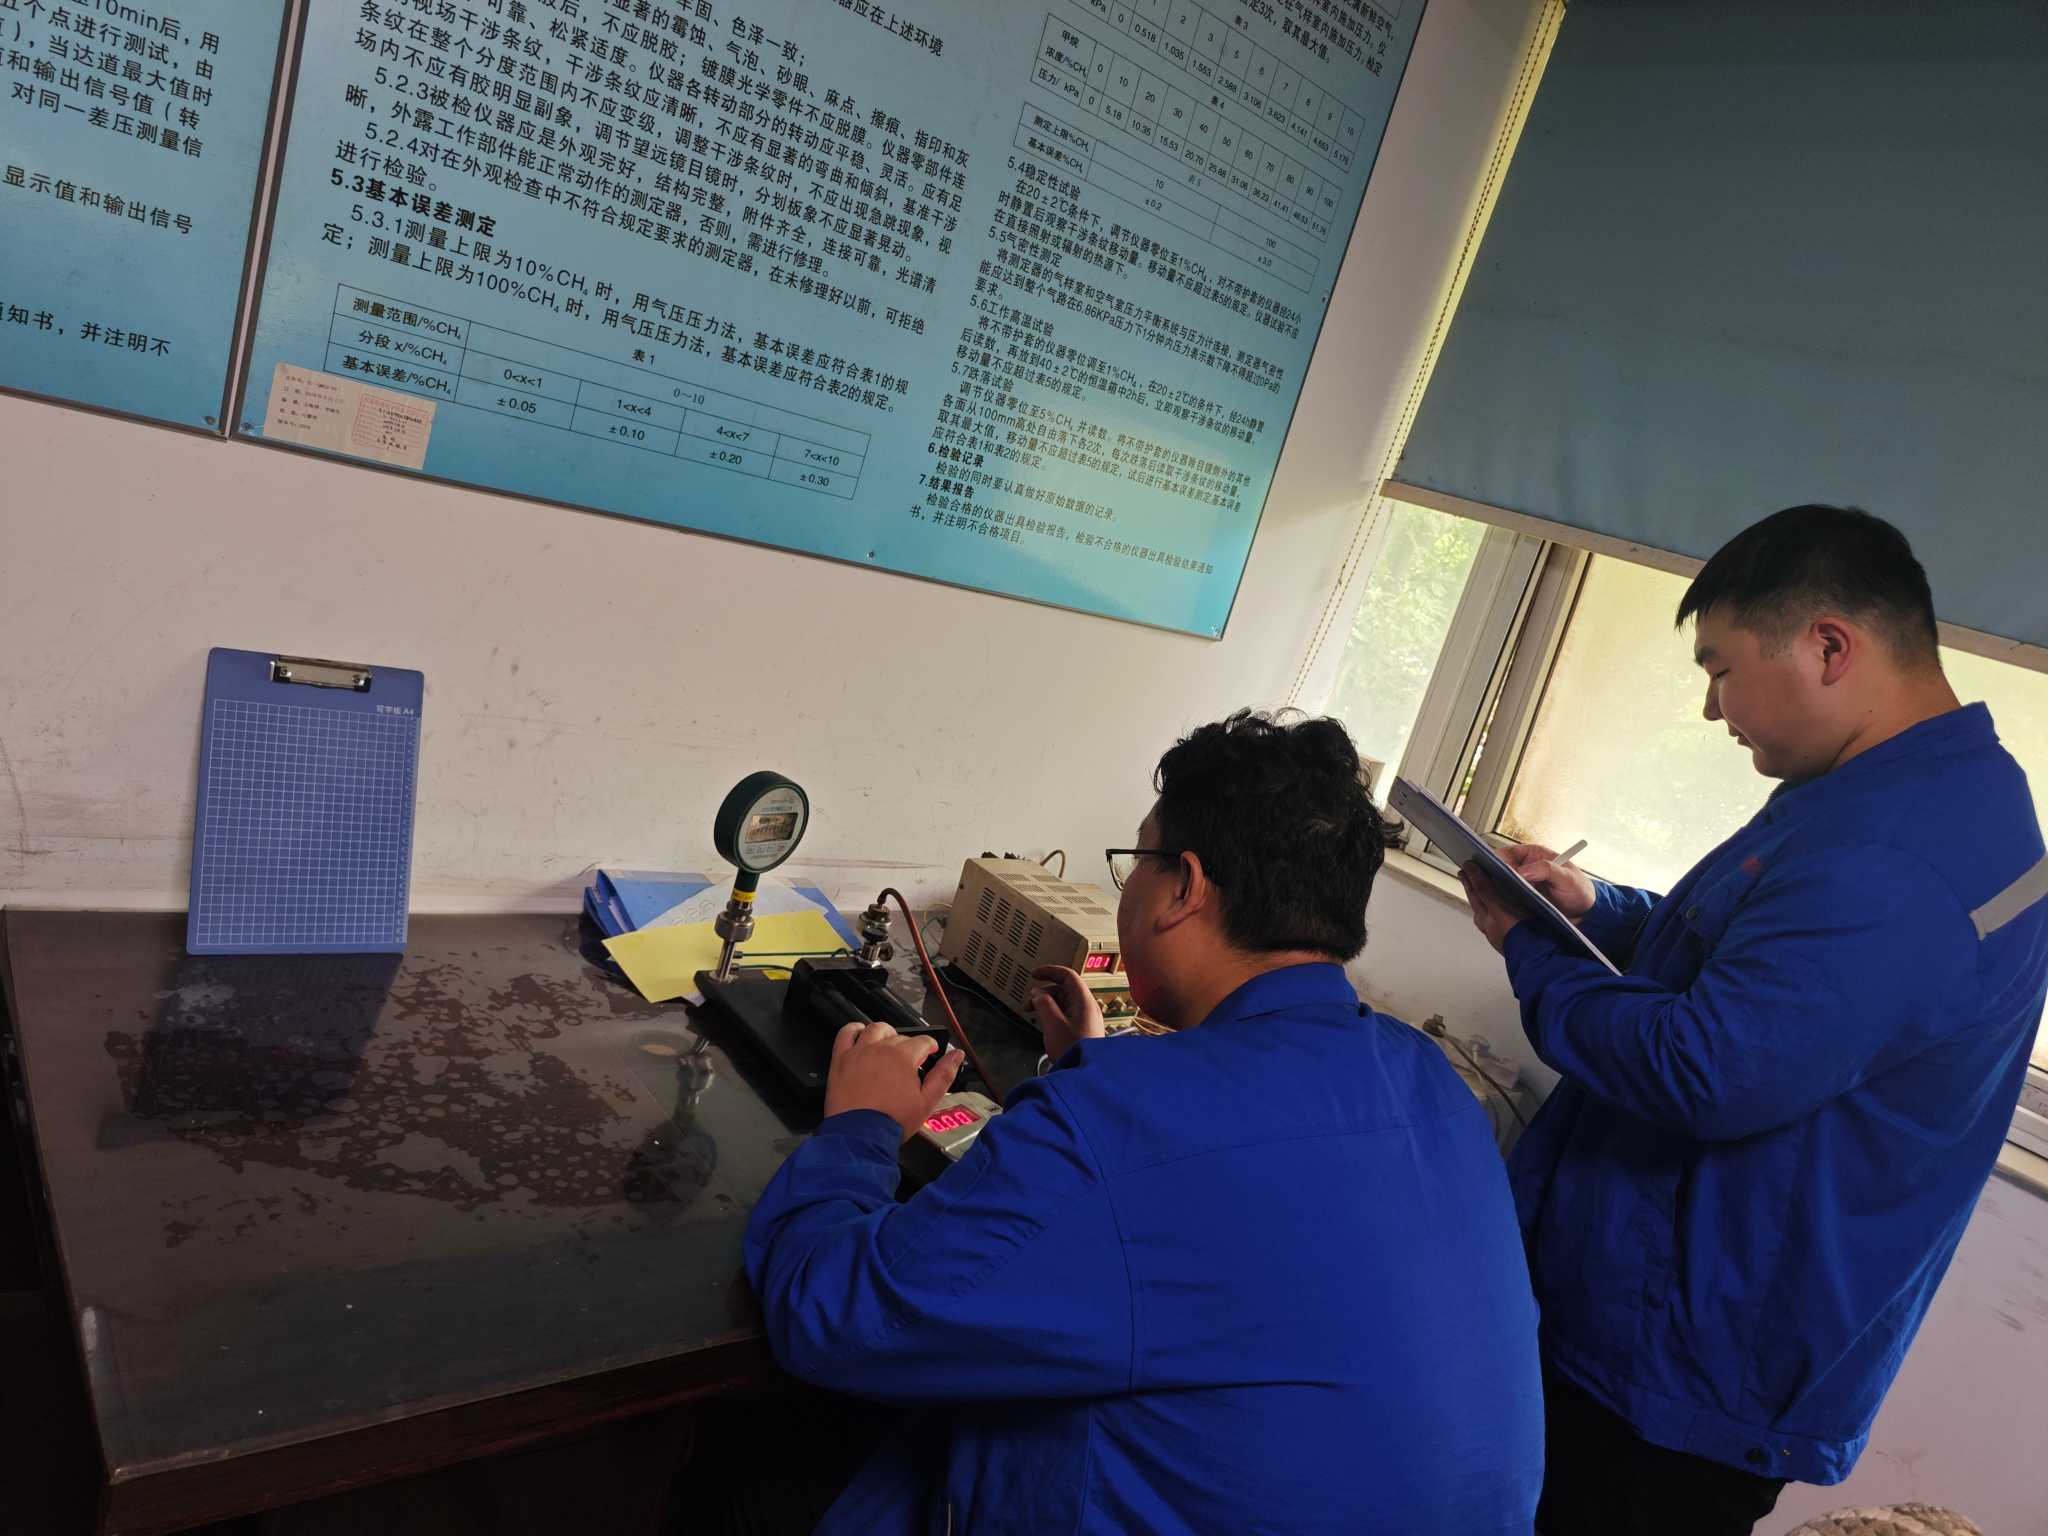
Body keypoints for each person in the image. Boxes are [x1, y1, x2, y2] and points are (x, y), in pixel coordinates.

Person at [744, 710, 1545, 1534]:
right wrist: (1100, 1074)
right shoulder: (1432, 1083)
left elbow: (834, 1319)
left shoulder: (1119, 1122)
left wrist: (863, 1124)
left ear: (1185, 888)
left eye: (1135, 863)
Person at [1459, 506, 2048, 1536]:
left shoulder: (1892, 859)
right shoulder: (1912, 791)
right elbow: (1757, 961)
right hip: (1673, 1320)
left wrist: (1528, 949)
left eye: (1720, 670)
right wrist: (1593, 908)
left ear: (1828, 647)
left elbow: (1701, 1068)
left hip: (1685, 1370)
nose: (1709, 708)